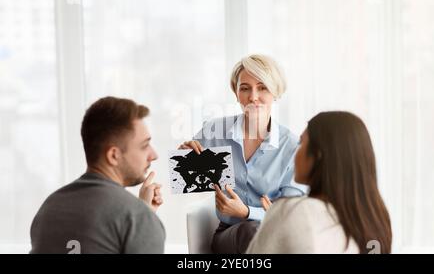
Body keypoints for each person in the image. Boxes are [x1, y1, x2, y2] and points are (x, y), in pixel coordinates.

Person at [179, 54, 306, 253]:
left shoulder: (292, 146)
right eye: (245, 88)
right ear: (236, 93)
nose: (253, 97)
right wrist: (185, 159)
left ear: (275, 92)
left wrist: (247, 212)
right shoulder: (215, 131)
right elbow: (182, 179)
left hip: (278, 236)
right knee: (250, 230)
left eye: (262, 87)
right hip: (230, 234)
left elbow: (290, 213)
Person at [30, 97, 165, 254]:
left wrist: (142, 214)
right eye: (144, 146)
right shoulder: (137, 218)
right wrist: (142, 220)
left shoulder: (49, 208)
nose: (154, 155)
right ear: (113, 155)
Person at [246, 111, 392, 254]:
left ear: (317, 156)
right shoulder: (376, 220)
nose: (295, 152)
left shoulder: (294, 211)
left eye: (301, 143)